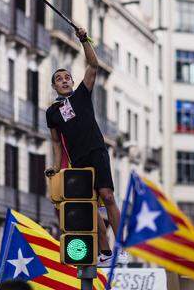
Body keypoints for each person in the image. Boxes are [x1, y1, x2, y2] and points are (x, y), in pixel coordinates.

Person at [45, 27, 128, 267]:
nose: (63, 80)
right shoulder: (51, 112)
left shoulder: (81, 94)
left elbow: (93, 66)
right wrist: (55, 168)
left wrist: (84, 41)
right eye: (58, 79)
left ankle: (121, 247)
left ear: (72, 82)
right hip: (78, 160)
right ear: (54, 86)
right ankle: (105, 250)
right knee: (88, 205)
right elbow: (55, 141)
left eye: (66, 77)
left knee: (108, 197)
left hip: (96, 151)